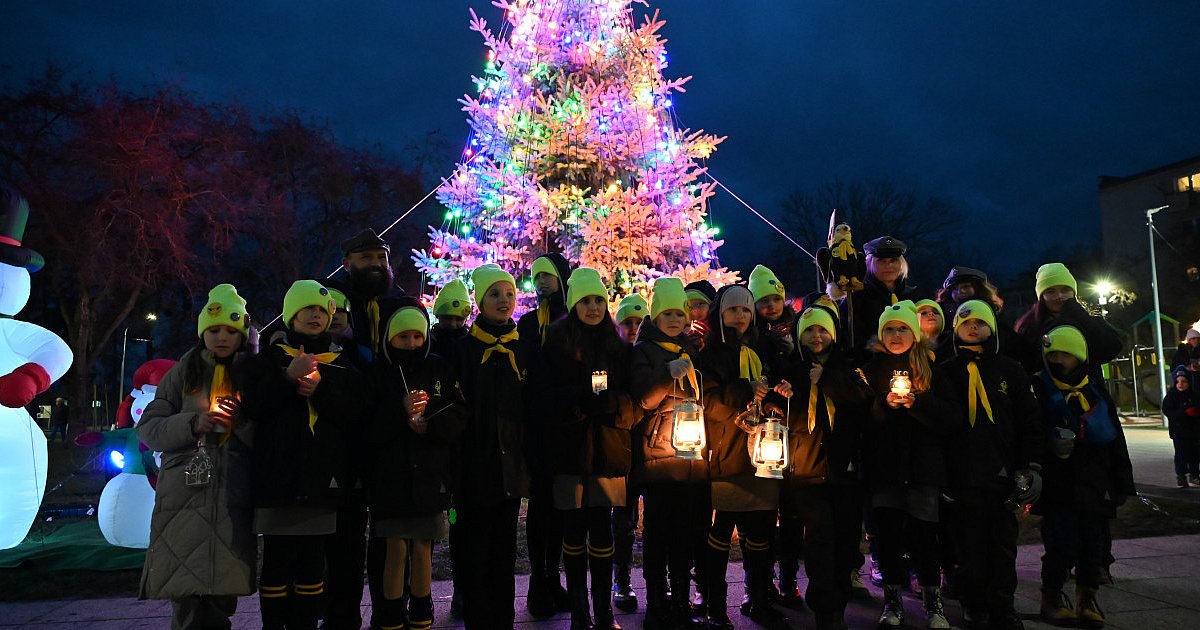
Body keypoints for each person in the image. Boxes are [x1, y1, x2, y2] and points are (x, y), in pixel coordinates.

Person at [241, 280, 372, 630]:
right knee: (278, 562)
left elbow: (356, 413)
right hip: (278, 476)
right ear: (290, 315)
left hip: (322, 478)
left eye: (321, 310)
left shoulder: (342, 363)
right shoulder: (267, 360)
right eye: (307, 309)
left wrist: (321, 391)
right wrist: (287, 378)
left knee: (313, 562)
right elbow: (254, 406)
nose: (315, 316)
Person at [137, 284, 256, 629]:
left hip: (231, 494)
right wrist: (192, 423)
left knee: (221, 592)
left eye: (231, 332)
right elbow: (149, 428)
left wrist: (241, 423)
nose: (222, 338)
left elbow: (267, 436)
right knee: (186, 594)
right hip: (184, 498)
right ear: (203, 331)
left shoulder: (251, 373)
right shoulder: (182, 372)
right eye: (214, 330)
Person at [530, 267, 637, 630]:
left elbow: (633, 401)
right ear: (574, 303)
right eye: (585, 301)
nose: (592, 308)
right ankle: (579, 611)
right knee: (573, 530)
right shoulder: (555, 344)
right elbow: (541, 398)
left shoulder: (618, 346)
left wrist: (614, 406)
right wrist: (576, 401)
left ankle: (603, 610)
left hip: (607, 451)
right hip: (569, 453)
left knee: (602, 529)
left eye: (598, 301)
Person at [938, 300, 1043, 630]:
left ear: (992, 329)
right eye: (966, 322)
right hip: (962, 474)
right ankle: (973, 604)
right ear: (956, 329)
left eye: (980, 323)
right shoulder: (945, 371)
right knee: (968, 544)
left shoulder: (1010, 369)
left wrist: (1029, 466)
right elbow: (938, 427)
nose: (973, 327)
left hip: (1001, 473)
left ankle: (1002, 605)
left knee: (1001, 545)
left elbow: (1028, 420)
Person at [769, 295, 870, 630]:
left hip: (844, 472)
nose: (816, 337)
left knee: (845, 542)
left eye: (822, 331)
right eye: (809, 331)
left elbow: (861, 399)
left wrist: (824, 378)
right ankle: (825, 610)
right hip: (807, 471)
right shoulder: (793, 369)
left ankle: (839, 601)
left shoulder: (848, 366)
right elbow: (781, 410)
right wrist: (778, 396)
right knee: (819, 540)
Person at [323, 228, 406, 629]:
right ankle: (342, 614)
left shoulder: (399, 302)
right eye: (366, 258)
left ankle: (390, 612)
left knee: (390, 533)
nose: (375, 265)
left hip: (390, 434)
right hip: (345, 437)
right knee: (345, 536)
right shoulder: (331, 299)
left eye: (381, 258)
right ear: (347, 263)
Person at [369, 298, 467, 630]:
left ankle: (422, 612)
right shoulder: (379, 372)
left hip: (429, 473)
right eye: (403, 337)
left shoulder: (438, 367)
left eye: (417, 336)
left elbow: (456, 412)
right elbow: (366, 426)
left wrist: (431, 425)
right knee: (394, 548)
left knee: (423, 546)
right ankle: (391, 614)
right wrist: (400, 414)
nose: (412, 344)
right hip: (391, 477)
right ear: (390, 338)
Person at [698, 283, 790, 630]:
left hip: (762, 453)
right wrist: (744, 391)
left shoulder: (764, 349)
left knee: (762, 530)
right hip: (727, 451)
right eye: (733, 309)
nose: (741, 315)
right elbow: (709, 401)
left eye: (746, 309)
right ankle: (715, 604)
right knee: (721, 530)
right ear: (721, 314)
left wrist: (775, 398)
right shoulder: (712, 353)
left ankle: (758, 598)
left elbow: (778, 391)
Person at [861, 300, 957, 629]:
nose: (896, 334)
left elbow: (951, 418)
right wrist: (883, 405)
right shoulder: (871, 370)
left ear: (914, 333)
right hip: (885, 470)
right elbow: (862, 421)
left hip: (922, 469)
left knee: (924, 537)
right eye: (889, 329)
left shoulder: (932, 369)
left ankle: (933, 601)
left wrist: (918, 402)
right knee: (887, 538)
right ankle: (892, 601)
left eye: (903, 328)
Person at [1031, 325, 1134, 628]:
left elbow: (1116, 438)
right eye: (1054, 353)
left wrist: (1122, 481)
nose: (1059, 359)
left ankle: (1087, 597)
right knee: (1060, 543)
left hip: (1095, 482)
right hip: (1058, 483)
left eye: (1066, 354)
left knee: (1093, 544)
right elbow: (1030, 432)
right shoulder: (1039, 388)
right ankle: (1051, 596)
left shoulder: (1095, 390)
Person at [450, 263, 530, 628]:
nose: (504, 300)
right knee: (474, 549)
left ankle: (503, 618)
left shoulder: (521, 350)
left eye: (510, 294)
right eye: (495, 294)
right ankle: (477, 617)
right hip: (475, 467)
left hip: (509, 469)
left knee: (503, 551)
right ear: (480, 300)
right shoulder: (464, 351)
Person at [629, 276, 709, 628]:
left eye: (680, 313)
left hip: (690, 457)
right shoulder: (644, 351)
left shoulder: (691, 349)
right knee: (658, 533)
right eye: (668, 313)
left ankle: (680, 599)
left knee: (683, 534)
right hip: (658, 458)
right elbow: (644, 398)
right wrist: (666, 374)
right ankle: (657, 602)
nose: (675, 320)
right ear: (656, 315)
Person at [518, 252, 574, 617]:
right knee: (541, 506)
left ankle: (554, 577)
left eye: (547, 276)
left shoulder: (573, 318)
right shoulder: (527, 323)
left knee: (561, 508)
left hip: (567, 425)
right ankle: (539, 580)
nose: (540, 282)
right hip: (538, 426)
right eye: (536, 277)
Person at [1014, 263, 1123, 379]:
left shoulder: (1089, 321)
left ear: (1074, 293)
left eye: (1065, 290)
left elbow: (1112, 347)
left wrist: (1082, 318)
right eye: (1051, 292)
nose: (1059, 296)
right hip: (1045, 391)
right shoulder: (1029, 327)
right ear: (1041, 297)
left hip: (1088, 390)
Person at [610, 290, 648, 612]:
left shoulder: (653, 355)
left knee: (657, 521)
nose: (634, 328)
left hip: (655, 451)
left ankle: (658, 580)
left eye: (639, 321)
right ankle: (621, 577)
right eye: (628, 322)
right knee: (623, 520)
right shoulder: (614, 358)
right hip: (624, 450)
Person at [841, 236, 922, 361]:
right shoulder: (855, 299)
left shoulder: (914, 296)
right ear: (870, 264)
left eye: (893, 260)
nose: (888, 265)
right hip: (868, 364)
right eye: (881, 261)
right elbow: (849, 337)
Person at [937, 266, 1033, 368]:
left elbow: (1025, 356)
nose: (960, 292)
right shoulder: (945, 325)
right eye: (954, 289)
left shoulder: (999, 327)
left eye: (965, 287)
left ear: (978, 288)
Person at [1163, 366, 1200, 488]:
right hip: (1179, 432)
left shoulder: (1193, 396)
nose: (1181, 384)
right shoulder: (1172, 396)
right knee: (1181, 455)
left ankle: (1194, 476)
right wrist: (1184, 413)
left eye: (1184, 381)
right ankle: (1181, 476)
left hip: (1193, 432)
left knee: (1195, 454)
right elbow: (1168, 411)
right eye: (1178, 381)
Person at [429, 278, 472, 359]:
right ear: (438, 315)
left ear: (466, 319)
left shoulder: (471, 345)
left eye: (459, 319)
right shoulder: (427, 342)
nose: (452, 324)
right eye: (447, 318)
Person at [684, 280, 717, 352]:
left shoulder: (721, 332)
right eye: (689, 306)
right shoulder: (678, 332)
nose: (694, 310)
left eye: (700, 304)